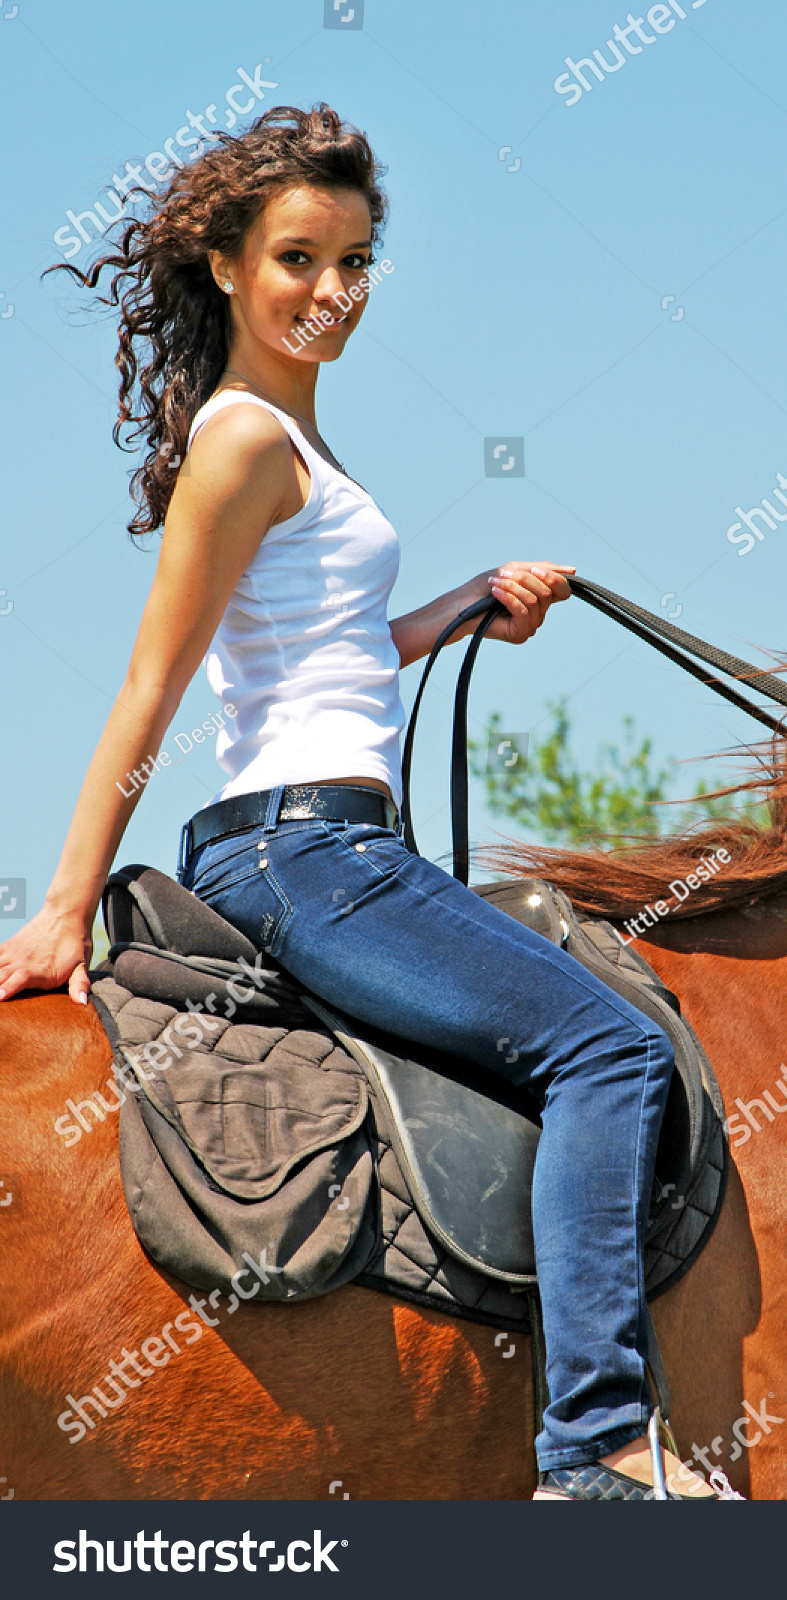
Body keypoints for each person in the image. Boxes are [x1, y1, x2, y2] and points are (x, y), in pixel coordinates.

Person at [0, 104, 719, 1502]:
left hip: (327, 838)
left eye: (357, 262)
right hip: (308, 855)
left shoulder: (293, 447)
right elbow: (150, 691)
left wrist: (455, 612)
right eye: (299, 259)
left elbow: (323, 655)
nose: (333, 291)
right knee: (613, 1055)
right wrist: (60, 910)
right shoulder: (244, 445)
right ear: (225, 265)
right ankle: (598, 1452)